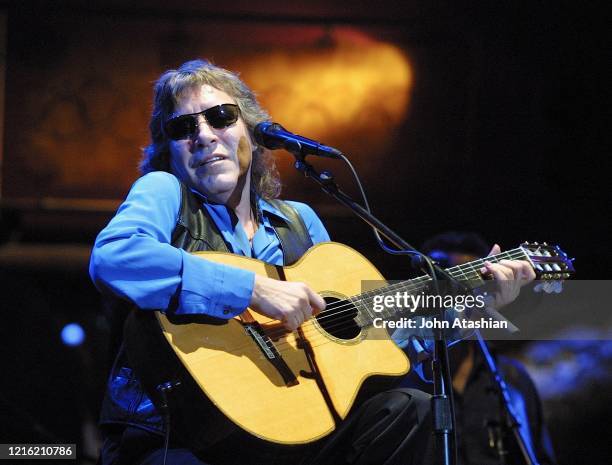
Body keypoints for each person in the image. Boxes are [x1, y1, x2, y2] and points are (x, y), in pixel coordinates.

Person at [89, 59, 535, 465]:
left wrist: (469, 312)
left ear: (254, 131)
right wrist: (254, 289)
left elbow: (364, 347)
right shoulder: (165, 192)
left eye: (221, 117)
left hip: (287, 432)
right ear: (169, 148)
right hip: (177, 432)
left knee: (412, 409)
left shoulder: (299, 223)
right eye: (183, 127)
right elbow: (114, 258)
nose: (203, 134)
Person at [398, 231, 556, 465]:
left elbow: (538, 455)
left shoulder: (511, 378)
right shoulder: (396, 372)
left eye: (466, 277)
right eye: (439, 275)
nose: (450, 290)